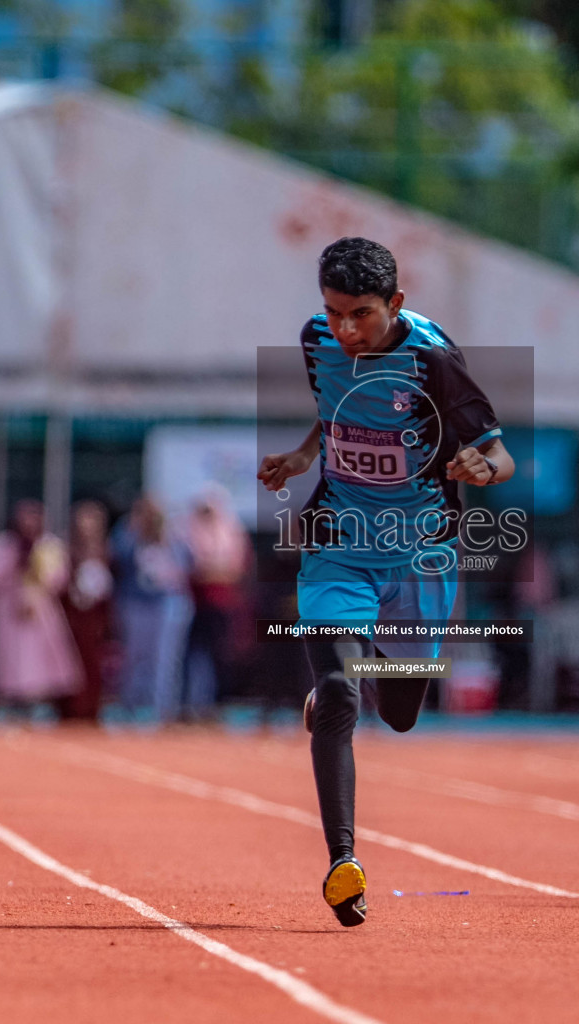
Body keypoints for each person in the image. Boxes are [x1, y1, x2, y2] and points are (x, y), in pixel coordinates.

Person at [257, 237, 514, 927]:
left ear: (395, 304)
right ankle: (343, 862)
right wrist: (303, 454)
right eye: (333, 313)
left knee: (399, 711)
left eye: (360, 316)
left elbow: (500, 454)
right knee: (341, 695)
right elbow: (339, 409)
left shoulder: (433, 358)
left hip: (420, 555)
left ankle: (353, 670)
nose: (344, 331)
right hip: (339, 543)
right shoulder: (316, 341)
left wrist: (480, 471)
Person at [0, 500, 81, 720]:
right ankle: (8, 702)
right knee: (9, 657)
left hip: (40, 611)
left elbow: (59, 579)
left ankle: (36, 704)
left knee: (38, 660)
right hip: (10, 610)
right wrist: (16, 566)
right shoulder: (4, 544)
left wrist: (36, 571)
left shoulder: (48, 546)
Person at [109, 496, 194, 721]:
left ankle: (161, 710)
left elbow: (187, 565)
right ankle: (130, 707)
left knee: (164, 660)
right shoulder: (129, 534)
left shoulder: (173, 537)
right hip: (135, 602)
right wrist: (135, 527)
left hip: (166, 604)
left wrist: (166, 536)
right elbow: (117, 555)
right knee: (134, 659)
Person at [181, 486, 250, 720]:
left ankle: (216, 707)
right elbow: (192, 570)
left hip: (222, 605)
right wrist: (214, 571)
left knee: (220, 656)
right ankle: (190, 705)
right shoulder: (190, 531)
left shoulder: (230, 531)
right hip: (194, 604)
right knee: (190, 657)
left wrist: (211, 571)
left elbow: (236, 570)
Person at [59, 500, 113, 724]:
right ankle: (69, 708)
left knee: (93, 662)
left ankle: (91, 708)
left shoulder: (105, 550)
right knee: (69, 661)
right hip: (72, 615)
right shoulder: (66, 549)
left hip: (95, 616)